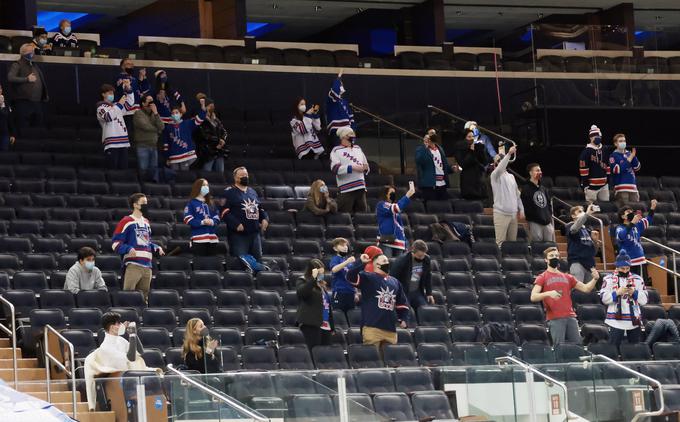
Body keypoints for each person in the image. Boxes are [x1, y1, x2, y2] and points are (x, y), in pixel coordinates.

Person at [531, 247, 599, 345]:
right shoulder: (542, 277)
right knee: (559, 348)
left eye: (556, 256)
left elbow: (586, 289)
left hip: (570, 316)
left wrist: (595, 279)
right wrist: (549, 293)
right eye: (551, 256)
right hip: (555, 318)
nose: (554, 257)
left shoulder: (568, 277)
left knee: (578, 347)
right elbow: (533, 296)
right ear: (546, 259)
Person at [348, 253, 409, 350]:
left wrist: (403, 318)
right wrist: (361, 263)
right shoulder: (367, 277)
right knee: (373, 360)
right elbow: (350, 277)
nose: (387, 263)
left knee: (391, 362)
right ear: (376, 264)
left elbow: (402, 304)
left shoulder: (395, 282)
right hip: (372, 327)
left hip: (391, 330)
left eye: (387, 261)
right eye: (384, 261)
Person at [112, 193, 165, 302]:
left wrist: (156, 247)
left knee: (143, 299)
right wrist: (128, 248)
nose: (146, 205)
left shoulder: (146, 222)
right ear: (135, 205)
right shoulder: (126, 221)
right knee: (128, 297)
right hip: (133, 265)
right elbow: (115, 243)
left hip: (148, 266)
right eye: (143, 203)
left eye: (146, 203)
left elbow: (146, 242)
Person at [219, 167, 269, 261]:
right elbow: (224, 211)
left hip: (255, 234)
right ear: (235, 178)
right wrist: (236, 224)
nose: (245, 177)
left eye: (246, 175)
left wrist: (264, 219)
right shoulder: (228, 192)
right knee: (241, 262)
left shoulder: (252, 192)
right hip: (238, 235)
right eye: (242, 176)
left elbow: (260, 208)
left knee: (257, 261)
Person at [600, 250, 648, 347]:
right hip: (615, 321)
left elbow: (644, 300)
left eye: (627, 268)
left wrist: (634, 293)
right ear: (617, 267)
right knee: (613, 349)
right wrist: (617, 293)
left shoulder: (638, 279)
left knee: (635, 351)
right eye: (622, 268)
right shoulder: (608, 279)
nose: (625, 271)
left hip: (634, 320)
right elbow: (604, 299)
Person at [7, 44, 48, 132]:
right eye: (31, 51)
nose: (33, 53)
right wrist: (27, 79)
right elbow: (10, 77)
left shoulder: (34, 64)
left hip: (37, 102)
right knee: (23, 128)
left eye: (33, 51)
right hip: (23, 102)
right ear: (23, 53)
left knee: (37, 128)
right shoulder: (17, 64)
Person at [296, 259, 334, 351]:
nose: (322, 275)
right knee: (313, 352)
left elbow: (327, 306)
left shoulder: (322, 285)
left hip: (325, 324)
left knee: (324, 354)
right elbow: (302, 293)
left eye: (322, 272)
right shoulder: (303, 280)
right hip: (311, 324)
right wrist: (313, 279)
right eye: (319, 272)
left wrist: (332, 327)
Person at [330, 126, 369, 213]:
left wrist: (365, 168)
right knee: (345, 214)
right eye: (350, 134)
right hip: (346, 189)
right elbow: (335, 168)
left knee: (362, 215)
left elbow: (366, 164)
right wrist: (353, 167)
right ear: (343, 136)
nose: (353, 136)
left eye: (353, 133)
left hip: (361, 187)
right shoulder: (336, 150)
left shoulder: (358, 148)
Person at [491, 145, 524, 246]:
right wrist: (509, 154)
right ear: (495, 163)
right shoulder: (494, 175)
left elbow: (517, 195)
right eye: (498, 160)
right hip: (501, 214)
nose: (501, 161)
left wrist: (521, 209)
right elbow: (500, 168)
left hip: (513, 215)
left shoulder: (511, 176)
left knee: (512, 243)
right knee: (500, 243)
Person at [389, 240, 435, 311]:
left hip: (417, 292)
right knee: (407, 312)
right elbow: (393, 278)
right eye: (419, 256)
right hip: (404, 292)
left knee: (425, 310)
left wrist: (429, 293)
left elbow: (428, 277)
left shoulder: (426, 259)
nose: (422, 258)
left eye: (423, 255)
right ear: (412, 252)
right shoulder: (402, 261)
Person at [97, 84, 134, 170]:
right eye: (110, 93)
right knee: (112, 170)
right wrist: (119, 105)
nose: (112, 95)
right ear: (103, 94)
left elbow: (130, 103)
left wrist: (128, 89)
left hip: (123, 142)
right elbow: (108, 117)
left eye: (113, 93)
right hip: (112, 143)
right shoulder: (100, 107)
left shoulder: (116, 105)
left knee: (123, 169)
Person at [616, 200, 657, 275]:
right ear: (623, 216)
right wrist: (631, 224)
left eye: (632, 211)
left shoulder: (637, 225)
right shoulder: (620, 228)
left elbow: (648, 220)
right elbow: (621, 236)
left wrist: (652, 208)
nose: (631, 213)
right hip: (628, 263)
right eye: (628, 212)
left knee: (641, 284)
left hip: (640, 260)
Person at [162, 102, 206, 171]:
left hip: (186, 156)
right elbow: (166, 144)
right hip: (173, 158)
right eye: (173, 113)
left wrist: (203, 107)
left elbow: (199, 119)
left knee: (184, 177)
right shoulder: (168, 128)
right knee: (175, 177)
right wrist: (167, 158)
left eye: (176, 113)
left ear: (181, 114)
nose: (174, 114)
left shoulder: (187, 123)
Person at [415, 128, 455, 201]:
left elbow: (443, 164)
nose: (433, 135)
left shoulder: (440, 149)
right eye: (430, 133)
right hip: (429, 184)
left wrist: (452, 169)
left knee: (444, 206)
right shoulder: (421, 149)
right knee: (431, 206)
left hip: (442, 183)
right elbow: (418, 161)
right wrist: (425, 146)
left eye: (434, 133)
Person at [376, 183, 416, 256]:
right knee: (387, 265)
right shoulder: (381, 204)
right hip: (387, 241)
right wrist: (408, 195)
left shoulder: (393, 207)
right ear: (385, 194)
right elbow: (397, 208)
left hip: (399, 242)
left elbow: (399, 226)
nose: (393, 195)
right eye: (391, 193)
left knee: (399, 266)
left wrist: (405, 242)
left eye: (394, 193)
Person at [184, 179, 220, 256]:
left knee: (212, 264)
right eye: (204, 185)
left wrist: (212, 221)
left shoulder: (211, 203)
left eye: (207, 185)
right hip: (198, 239)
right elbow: (188, 219)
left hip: (212, 238)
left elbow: (217, 217)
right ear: (198, 187)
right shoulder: (191, 203)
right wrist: (202, 222)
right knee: (200, 263)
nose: (206, 187)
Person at [133, 94, 164, 182]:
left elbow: (162, 126)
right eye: (149, 101)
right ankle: (143, 186)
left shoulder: (154, 114)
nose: (152, 103)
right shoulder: (138, 113)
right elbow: (145, 126)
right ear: (143, 103)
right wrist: (157, 130)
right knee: (143, 168)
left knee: (153, 168)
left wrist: (156, 113)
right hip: (142, 146)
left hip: (154, 146)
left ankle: (152, 187)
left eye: (152, 101)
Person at [520, 163, 554, 242]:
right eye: (537, 170)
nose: (540, 172)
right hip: (535, 222)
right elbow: (525, 205)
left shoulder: (543, 188)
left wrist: (549, 216)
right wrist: (531, 218)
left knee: (549, 247)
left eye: (540, 170)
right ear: (530, 173)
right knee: (537, 245)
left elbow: (548, 204)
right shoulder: (526, 189)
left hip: (547, 222)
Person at [566, 204, 601, 283]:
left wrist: (595, 241)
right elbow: (574, 229)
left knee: (589, 293)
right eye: (579, 212)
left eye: (583, 211)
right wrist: (587, 214)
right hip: (577, 262)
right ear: (573, 216)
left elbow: (593, 252)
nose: (582, 213)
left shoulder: (588, 229)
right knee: (578, 291)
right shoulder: (570, 225)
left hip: (590, 264)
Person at [579, 125, 611, 203]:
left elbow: (608, 165)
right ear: (590, 137)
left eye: (598, 135)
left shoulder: (605, 149)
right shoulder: (586, 152)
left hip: (604, 185)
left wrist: (608, 181)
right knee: (592, 209)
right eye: (593, 136)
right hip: (591, 186)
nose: (596, 137)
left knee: (605, 206)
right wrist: (586, 185)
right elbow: (583, 170)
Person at [195, 97, 228, 172]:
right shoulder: (201, 120)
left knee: (220, 173)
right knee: (207, 172)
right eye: (210, 106)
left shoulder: (216, 119)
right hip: (208, 151)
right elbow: (204, 135)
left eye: (212, 105)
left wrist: (222, 139)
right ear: (205, 107)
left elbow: (224, 131)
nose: (212, 107)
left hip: (219, 150)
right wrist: (218, 140)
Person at [455, 129, 488, 201]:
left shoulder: (477, 146)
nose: (472, 139)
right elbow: (463, 163)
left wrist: (481, 151)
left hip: (479, 180)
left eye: (473, 136)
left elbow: (484, 162)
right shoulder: (460, 148)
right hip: (468, 181)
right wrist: (471, 151)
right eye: (469, 137)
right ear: (464, 138)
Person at [610, 133, 641, 207]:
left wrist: (633, 156)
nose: (623, 143)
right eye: (620, 141)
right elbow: (618, 170)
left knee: (636, 211)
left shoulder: (629, 154)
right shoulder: (613, 156)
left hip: (633, 188)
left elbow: (637, 167)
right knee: (625, 211)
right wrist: (630, 158)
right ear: (615, 143)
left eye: (624, 141)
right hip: (621, 189)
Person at [329, 237, 357, 313]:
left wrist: (356, 292)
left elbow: (354, 277)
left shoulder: (349, 260)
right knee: (338, 314)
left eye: (346, 245)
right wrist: (347, 262)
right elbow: (334, 269)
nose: (345, 247)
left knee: (350, 315)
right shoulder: (336, 259)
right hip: (339, 292)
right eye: (342, 245)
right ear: (335, 248)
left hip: (350, 292)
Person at [325, 70, 355, 142]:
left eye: (341, 84)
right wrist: (338, 77)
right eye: (340, 85)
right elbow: (335, 90)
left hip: (347, 131)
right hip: (337, 130)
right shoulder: (330, 98)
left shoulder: (344, 101)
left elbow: (351, 118)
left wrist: (353, 130)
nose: (341, 86)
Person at [0, 84, 16, 151]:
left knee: (4, 154)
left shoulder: (6, 104)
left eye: (0, 88)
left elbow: (10, 120)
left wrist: (12, 134)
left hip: (4, 134)